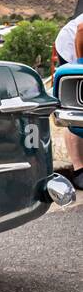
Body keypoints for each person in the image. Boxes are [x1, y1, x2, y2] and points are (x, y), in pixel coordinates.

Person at [56, 11, 83, 185]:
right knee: (76, 107)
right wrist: (81, 63)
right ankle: (79, 169)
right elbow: (81, 30)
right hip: (73, 46)